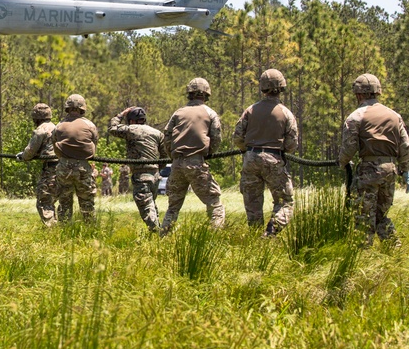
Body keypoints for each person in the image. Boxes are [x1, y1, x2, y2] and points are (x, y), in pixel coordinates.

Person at [339, 73, 409, 246]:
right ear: (377, 92)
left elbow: (349, 147)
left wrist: (341, 163)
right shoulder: (394, 116)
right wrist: (406, 170)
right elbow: (405, 146)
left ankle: (362, 255)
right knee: (380, 215)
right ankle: (395, 250)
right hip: (390, 170)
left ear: (359, 94)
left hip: (368, 171)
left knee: (364, 217)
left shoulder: (356, 117)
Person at [233, 69, 299, 237]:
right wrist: (281, 150)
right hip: (273, 158)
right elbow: (292, 143)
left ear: (262, 88)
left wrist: (247, 151)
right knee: (285, 201)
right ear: (282, 88)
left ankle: (255, 237)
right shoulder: (286, 113)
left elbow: (237, 137)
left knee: (252, 203)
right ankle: (270, 233)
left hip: (250, 158)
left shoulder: (250, 110)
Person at [160, 78, 225, 234]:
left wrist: (172, 156)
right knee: (215, 204)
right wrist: (209, 153)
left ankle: (163, 236)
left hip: (176, 164)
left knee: (173, 207)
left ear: (189, 94)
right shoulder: (209, 113)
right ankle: (214, 237)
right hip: (195, 162)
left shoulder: (178, 113)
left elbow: (167, 137)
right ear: (206, 94)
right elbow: (216, 138)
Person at [109, 106, 167, 234]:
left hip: (141, 175)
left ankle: (158, 234)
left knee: (146, 208)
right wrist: (156, 169)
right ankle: (159, 232)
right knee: (151, 204)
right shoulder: (157, 133)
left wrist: (121, 114)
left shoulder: (131, 129)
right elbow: (165, 156)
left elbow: (112, 128)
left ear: (131, 120)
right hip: (155, 175)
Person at [51, 94, 99, 223]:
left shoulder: (59, 125)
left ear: (67, 108)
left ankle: (64, 230)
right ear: (82, 108)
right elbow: (95, 143)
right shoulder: (90, 125)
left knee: (64, 201)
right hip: (83, 168)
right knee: (87, 202)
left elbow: (54, 141)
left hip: (64, 167)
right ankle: (90, 231)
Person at [15, 103, 59, 226]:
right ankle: (64, 228)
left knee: (44, 201)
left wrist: (22, 157)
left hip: (50, 169)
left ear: (36, 118)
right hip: (63, 168)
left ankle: (52, 232)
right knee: (60, 201)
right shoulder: (57, 128)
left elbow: (30, 151)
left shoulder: (41, 131)